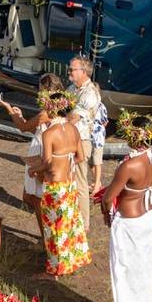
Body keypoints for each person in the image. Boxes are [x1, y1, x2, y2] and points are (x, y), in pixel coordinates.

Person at [99, 111, 152, 302]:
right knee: (145, 276)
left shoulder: (130, 165)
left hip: (129, 224)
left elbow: (109, 198)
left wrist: (106, 214)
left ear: (135, 136)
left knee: (124, 275)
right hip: (147, 220)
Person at [28, 90, 92, 277]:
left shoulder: (50, 133)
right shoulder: (73, 129)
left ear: (52, 108)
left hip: (55, 187)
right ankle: (73, 261)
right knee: (70, 225)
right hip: (69, 185)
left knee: (55, 229)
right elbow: (81, 157)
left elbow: (47, 162)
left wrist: (34, 169)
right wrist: (65, 159)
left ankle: (55, 270)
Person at [0, 72, 63, 243]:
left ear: (47, 91)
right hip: (41, 148)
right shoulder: (58, 111)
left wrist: (9, 110)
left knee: (36, 198)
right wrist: (22, 117)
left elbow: (23, 127)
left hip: (40, 153)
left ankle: (45, 238)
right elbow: (36, 129)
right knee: (31, 196)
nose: (39, 93)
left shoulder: (45, 113)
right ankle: (46, 235)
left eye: (41, 90)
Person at [66, 55, 101, 232]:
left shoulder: (89, 93)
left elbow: (72, 117)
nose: (69, 71)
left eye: (72, 69)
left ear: (84, 71)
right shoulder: (72, 88)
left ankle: (84, 223)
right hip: (68, 140)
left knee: (80, 182)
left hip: (81, 141)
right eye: (70, 68)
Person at [90, 97, 109, 195]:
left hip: (97, 137)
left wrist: (98, 128)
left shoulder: (101, 106)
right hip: (88, 135)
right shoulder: (88, 103)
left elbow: (105, 121)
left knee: (97, 161)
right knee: (90, 161)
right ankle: (97, 181)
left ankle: (97, 185)